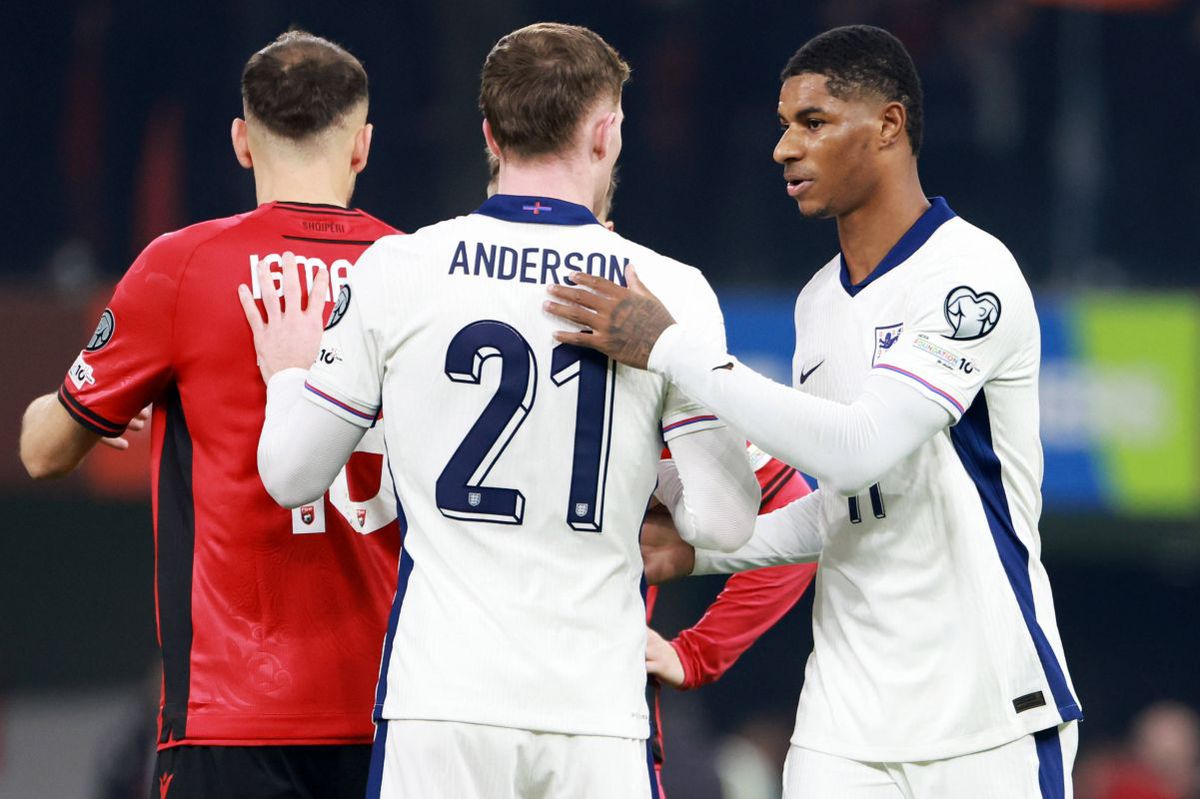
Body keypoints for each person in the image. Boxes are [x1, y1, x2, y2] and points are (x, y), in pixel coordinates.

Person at [545, 24, 1081, 799]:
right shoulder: (818, 303)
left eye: (813, 122)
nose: (783, 148)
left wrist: (670, 346)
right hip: (845, 720)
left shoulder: (970, 274)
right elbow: (846, 507)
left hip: (985, 716)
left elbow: (858, 450)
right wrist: (699, 554)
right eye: (783, 125)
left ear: (889, 125)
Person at [245, 22, 759, 799]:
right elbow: (725, 520)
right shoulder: (669, 288)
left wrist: (289, 376)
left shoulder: (400, 269)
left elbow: (291, 476)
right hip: (594, 705)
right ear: (607, 132)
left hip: (443, 699)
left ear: (489, 134)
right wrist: (657, 482)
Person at [19, 30, 401, 798]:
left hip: (231, 716)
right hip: (395, 710)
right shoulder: (415, 271)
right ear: (362, 144)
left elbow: (43, 452)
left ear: (241, 141)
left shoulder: (181, 266)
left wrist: (76, 406)